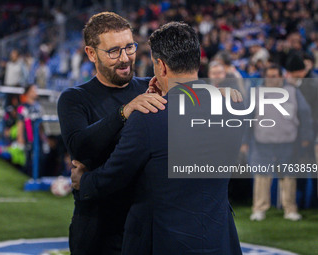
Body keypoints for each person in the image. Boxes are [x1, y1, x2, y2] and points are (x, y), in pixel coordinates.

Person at [58, 12, 242, 255]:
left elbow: (183, 89)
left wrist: (211, 95)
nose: (125, 58)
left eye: (129, 47)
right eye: (114, 51)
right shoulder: (75, 98)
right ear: (91, 53)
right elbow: (79, 146)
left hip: (147, 226)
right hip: (101, 228)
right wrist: (124, 111)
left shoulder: (152, 90)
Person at [243, 64, 313, 221]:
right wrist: (244, 140)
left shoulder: (293, 92)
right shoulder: (256, 93)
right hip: (262, 142)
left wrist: (306, 138)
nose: (272, 79)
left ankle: (290, 209)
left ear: (281, 76)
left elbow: (305, 115)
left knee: (288, 177)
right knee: (262, 177)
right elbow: (246, 116)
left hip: (289, 142)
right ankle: (259, 209)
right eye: (269, 76)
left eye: (275, 76)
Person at [17, 84, 44, 176]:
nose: (36, 92)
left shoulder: (39, 107)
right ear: (28, 93)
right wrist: (20, 137)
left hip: (38, 138)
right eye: (33, 90)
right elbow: (20, 123)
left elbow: (41, 125)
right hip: (28, 138)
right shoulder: (22, 107)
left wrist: (43, 137)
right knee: (28, 159)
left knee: (39, 158)